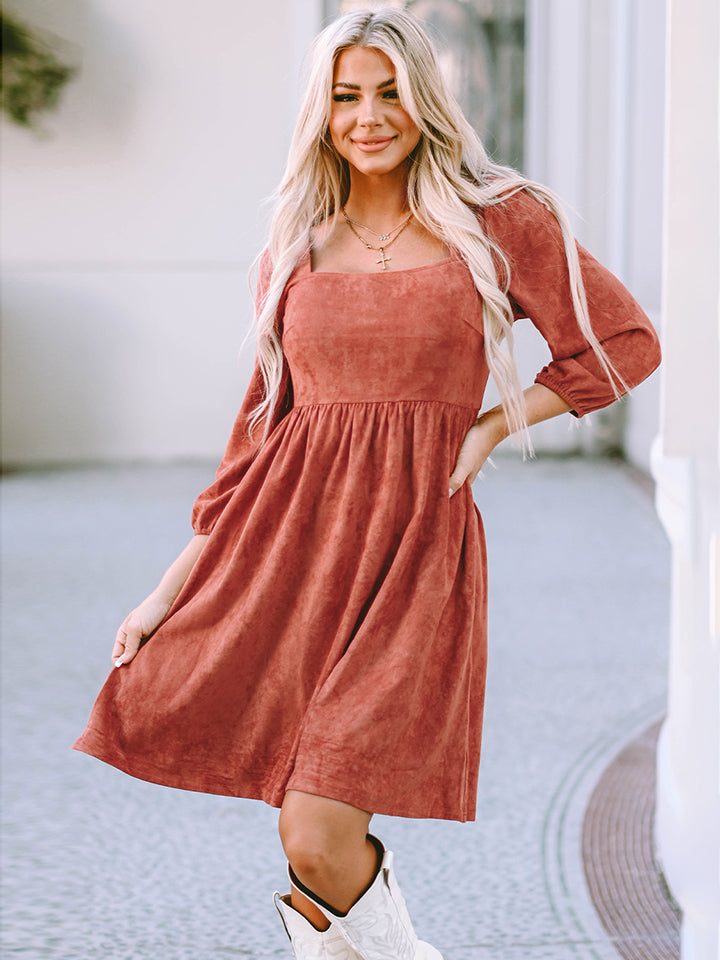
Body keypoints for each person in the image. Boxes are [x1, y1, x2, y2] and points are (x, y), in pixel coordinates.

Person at [73, 8, 661, 959]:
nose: (369, 115)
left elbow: (624, 347)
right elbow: (252, 447)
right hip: (287, 554)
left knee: (314, 826)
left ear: (426, 100)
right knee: (306, 834)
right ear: (322, 112)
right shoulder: (296, 248)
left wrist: (488, 429)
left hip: (415, 555)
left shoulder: (501, 220)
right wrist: (163, 594)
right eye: (346, 95)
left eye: (390, 91)